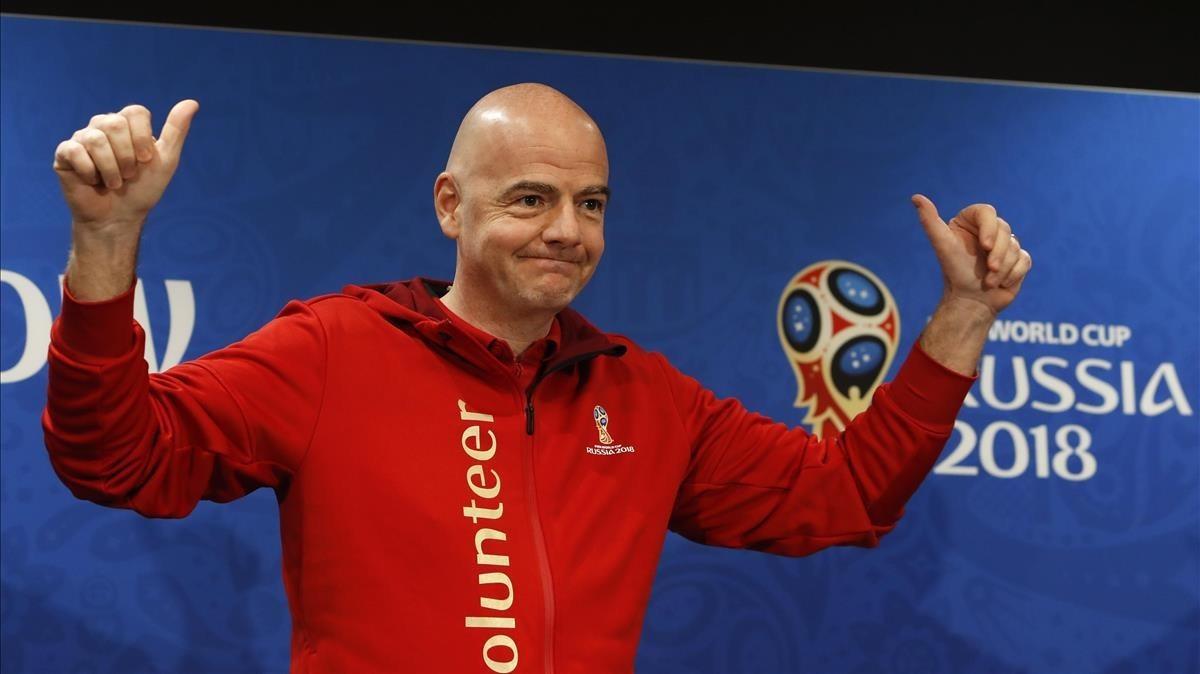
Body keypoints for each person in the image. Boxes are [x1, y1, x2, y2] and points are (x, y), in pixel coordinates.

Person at [44, 83, 1031, 673]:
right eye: (530, 197)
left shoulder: (644, 397)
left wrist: (964, 315)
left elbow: (843, 493)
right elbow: (117, 455)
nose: (566, 227)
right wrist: (107, 237)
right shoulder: (333, 348)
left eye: (589, 201)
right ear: (450, 205)